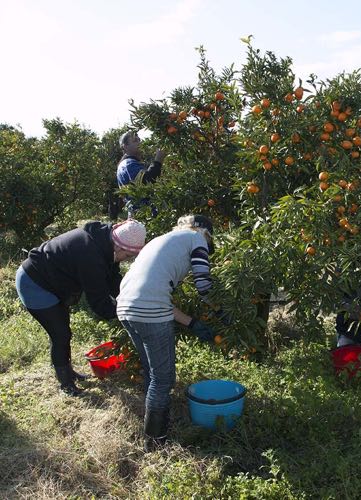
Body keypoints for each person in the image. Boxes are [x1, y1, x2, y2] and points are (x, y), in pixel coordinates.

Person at [116, 214, 218, 451]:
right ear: (206, 233)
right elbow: (203, 284)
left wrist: (192, 323)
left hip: (125, 308)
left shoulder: (163, 240)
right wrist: (220, 309)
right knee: (164, 379)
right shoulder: (197, 238)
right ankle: (155, 441)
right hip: (148, 310)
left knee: (153, 374)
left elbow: (155, 294)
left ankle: (154, 427)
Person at [15, 219, 147, 396]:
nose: (127, 260)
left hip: (52, 280)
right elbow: (99, 302)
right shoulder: (90, 255)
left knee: (62, 331)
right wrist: (125, 315)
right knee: (60, 334)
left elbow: (113, 280)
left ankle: (68, 372)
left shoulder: (105, 242)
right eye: (128, 256)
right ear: (119, 247)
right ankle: (66, 384)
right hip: (35, 283)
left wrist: (130, 297)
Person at [116, 131, 166, 217]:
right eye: (135, 140)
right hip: (142, 215)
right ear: (125, 146)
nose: (139, 142)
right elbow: (147, 181)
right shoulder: (128, 164)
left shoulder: (131, 163)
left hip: (143, 215)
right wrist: (158, 160)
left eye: (139, 140)